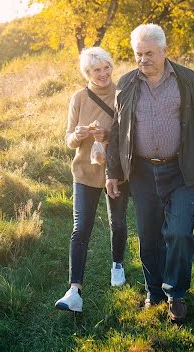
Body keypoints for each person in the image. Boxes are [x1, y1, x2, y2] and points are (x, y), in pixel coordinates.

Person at [106, 24, 194, 322]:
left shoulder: (187, 80)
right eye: (138, 54)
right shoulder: (126, 84)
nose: (143, 59)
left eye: (149, 53)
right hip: (142, 173)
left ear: (163, 51)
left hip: (180, 170)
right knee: (148, 237)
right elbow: (117, 131)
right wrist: (113, 171)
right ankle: (154, 292)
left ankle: (176, 293)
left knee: (179, 232)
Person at [55, 47, 129, 313]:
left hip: (116, 172)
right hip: (84, 173)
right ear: (87, 73)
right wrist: (78, 135)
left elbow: (129, 134)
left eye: (106, 67)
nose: (103, 74)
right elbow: (68, 140)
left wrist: (107, 135)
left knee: (118, 223)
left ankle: (117, 264)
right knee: (80, 228)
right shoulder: (78, 98)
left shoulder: (123, 94)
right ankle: (74, 290)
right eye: (96, 70)